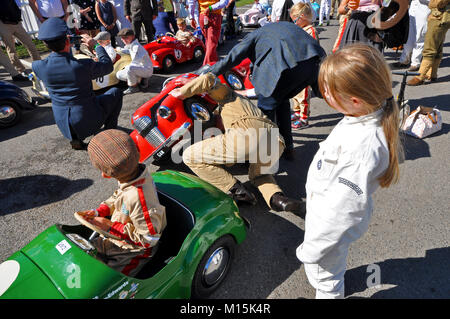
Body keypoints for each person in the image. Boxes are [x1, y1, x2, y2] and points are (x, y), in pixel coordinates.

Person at [296, 43, 402, 299]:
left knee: (327, 280)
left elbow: (343, 210)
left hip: (328, 230)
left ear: (354, 100)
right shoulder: (360, 115)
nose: (323, 95)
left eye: (328, 92)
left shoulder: (362, 149)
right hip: (324, 216)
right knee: (328, 268)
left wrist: (313, 248)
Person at [171, 73, 305, 213]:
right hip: (275, 140)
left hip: (246, 135)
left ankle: (239, 192)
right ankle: (279, 200)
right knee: (260, 175)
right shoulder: (240, 104)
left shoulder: (228, 94)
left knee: (189, 156)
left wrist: (181, 92)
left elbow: (208, 79)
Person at [209, 21, 326, 160]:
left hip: (283, 68)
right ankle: (288, 148)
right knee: (282, 102)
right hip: (313, 62)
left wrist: (208, 74)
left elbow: (231, 58)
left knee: (265, 113)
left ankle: (263, 159)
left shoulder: (252, 37)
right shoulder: (277, 28)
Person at [80, 129, 167, 277]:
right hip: (114, 238)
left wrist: (110, 226)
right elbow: (116, 197)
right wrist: (99, 211)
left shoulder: (139, 197)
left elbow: (149, 239)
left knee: (105, 279)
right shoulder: (132, 176)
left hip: (133, 252)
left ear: (105, 174)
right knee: (81, 255)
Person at [32, 18, 123, 150]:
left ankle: (76, 139)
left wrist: (65, 46)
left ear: (46, 44)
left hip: (64, 124)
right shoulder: (82, 66)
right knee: (116, 92)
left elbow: (61, 62)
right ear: (68, 41)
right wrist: (96, 46)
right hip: (88, 121)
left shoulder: (38, 66)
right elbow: (108, 66)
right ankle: (108, 135)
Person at [290, 3, 320, 130]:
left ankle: (304, 118)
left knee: (303, 94)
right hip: (296, 67)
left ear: (302, 17)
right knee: (295, 94)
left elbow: (311, 50)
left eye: (295, 20)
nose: (294, 23)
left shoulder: (311, 31)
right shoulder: (300, 29)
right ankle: (297, 112)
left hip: (306, 68)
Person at [407, 0, 449, 86]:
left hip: (439, 17)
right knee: (437, 46)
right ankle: (432, 74)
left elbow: (439, 3)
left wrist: (429, 3)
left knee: (429, 48)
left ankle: (420, 76)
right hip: (441, 16)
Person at [0, 0, 42, 77]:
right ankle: (20, 70)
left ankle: (39, 66)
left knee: (30, 45)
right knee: (11, 49)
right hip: (3, 24)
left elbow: (17, 4)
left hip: (16, 22)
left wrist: (18, 15)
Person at [188, 0, 230, 65]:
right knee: (211, 43)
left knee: (209, 42)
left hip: (203, 15)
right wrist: (211, 8)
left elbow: (191, 2)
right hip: (214, 16)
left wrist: (191, 17)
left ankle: (215, 63)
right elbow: (224, 2)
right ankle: (205, 67)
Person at [393, 0, 431, 71]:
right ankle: (404, 60)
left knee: (419, 36)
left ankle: (415, 63)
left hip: (425, 9)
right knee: (408, 36)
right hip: (414, 8)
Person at [116, 28, 153, 94]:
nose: (123, 40)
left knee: (129, 68)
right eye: (122, 38)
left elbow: (135, 62)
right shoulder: (132, 45)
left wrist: (126, 68)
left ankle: (133, 87)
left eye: (126, 37)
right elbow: (129, 51)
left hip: (146, 69)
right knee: (119, 74)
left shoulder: (136, 47)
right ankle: (141, 80)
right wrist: (118, 50)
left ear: (133, 36)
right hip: (141, 68)